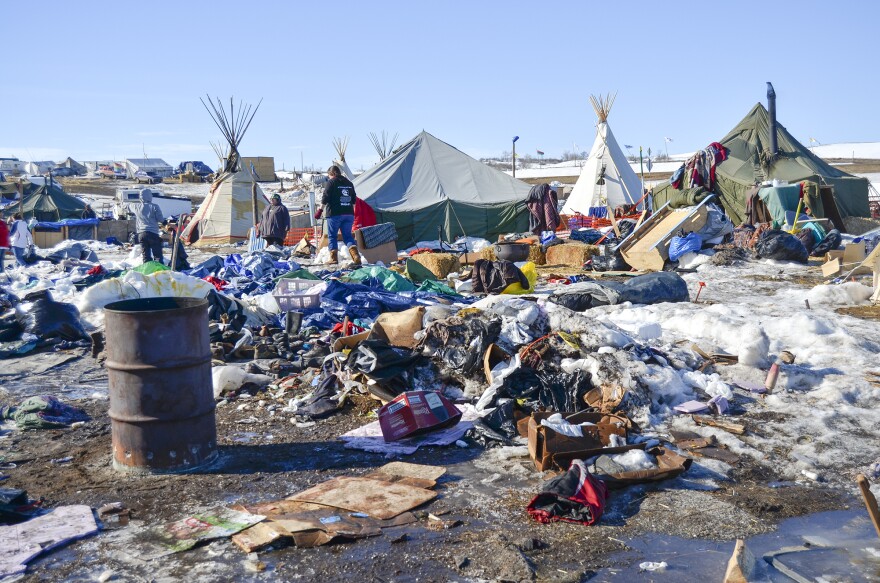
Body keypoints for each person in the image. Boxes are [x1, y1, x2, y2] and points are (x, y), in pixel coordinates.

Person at [320, 165, 360, 265]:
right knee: (348, 236)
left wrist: (320, 210)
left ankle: (333, 259)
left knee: (332, 236)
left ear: (332, 174)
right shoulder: (349, 183)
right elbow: (354, 200)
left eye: (329, 175)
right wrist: (352, 211)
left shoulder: (331, 182)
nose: (328, 177)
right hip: (348, 214)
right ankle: (355, 256)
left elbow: (325, 197)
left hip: (335, 214)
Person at [128, 188, 165, 264]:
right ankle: (159, 270)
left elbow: (128, 207)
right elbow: (161, 219)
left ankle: (148, 271)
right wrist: (166, 223)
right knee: (157, 255)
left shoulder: (136, 206)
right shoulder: (154, 206)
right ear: (149, 196)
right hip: (153, 233)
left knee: (146, 256)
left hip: (141, 234)